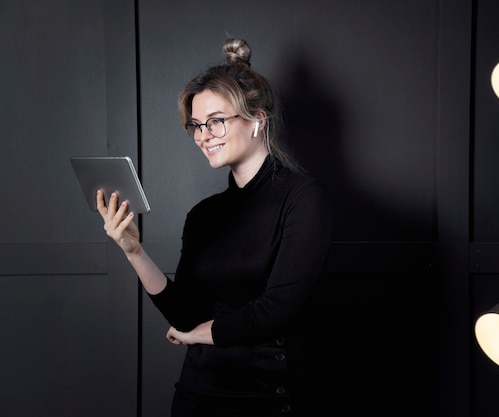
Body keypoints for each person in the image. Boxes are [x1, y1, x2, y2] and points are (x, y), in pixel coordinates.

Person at [96, 38, 333, 417]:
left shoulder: (304, 199)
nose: (203, 136)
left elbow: (276, 310)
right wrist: (133, 251)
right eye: (196, 125)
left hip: (268, 396)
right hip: (197, 394)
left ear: (257, 120)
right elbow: (184, 314)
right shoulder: (203, 215)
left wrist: (197, 335)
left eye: (216, 122)